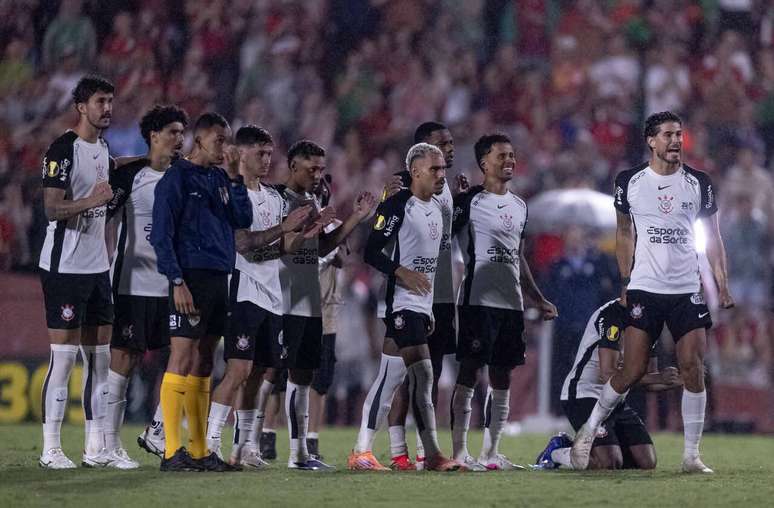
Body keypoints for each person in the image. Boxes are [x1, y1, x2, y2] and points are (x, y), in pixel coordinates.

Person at [570, 111, 735, 473]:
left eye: (679, 134)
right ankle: (589, 429)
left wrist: (722, 285)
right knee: (631, 369)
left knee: (693, 366)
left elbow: (714, 238)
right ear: (651, 140)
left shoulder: (700, 183)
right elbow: (624, 232)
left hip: (686, 288)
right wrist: (626, 281)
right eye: (668, 135)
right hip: (645, 287)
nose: (676, 141)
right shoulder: (629, 181)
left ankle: (691, 455)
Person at [348, 143, 461, 472]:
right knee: (423, 374)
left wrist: (428, 309)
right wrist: (401, 272)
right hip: (401, 303)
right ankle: (434, 455)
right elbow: (370, 251)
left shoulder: (437, 209)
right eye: (434, 169)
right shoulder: (398, 205)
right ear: (415, 172)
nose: (441, 175)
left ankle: (361, 451)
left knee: (389, 378)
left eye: (443, 169)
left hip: (421, 307)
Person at [204, 125, 312, 468]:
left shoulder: (276, 198)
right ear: (241, 154)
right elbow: (243, 244)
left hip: (272, 294)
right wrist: (283, 228)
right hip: (243, 289)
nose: (267, 160)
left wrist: (306, 230)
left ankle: (246, 447)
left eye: (269, 154)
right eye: (259, 154)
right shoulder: (232, 195)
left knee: (260, 373)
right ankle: (209, 443)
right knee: (238, 370)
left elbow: (280, 249)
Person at [150, 112, 253, 472]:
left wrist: (237, 176)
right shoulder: (176, 179)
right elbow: (160, 235)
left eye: (226, 141)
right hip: (189, 278)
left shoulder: (220, 179)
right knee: (182, 356)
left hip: (218, 277)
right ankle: (170, 450)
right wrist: (176, 281)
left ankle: (198, 450)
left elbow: (243, 219)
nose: (224, 148)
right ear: (201, 140)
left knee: (206, 360)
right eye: (219, 141)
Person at [450, 133, 557, 471]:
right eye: (501, 156)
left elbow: (518, 257)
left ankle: (491, 453)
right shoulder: (469, 202)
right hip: (476, 300)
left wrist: (537, 299)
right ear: (484, 163)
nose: (509, 161)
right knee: (469, 371)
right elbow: (440, 236)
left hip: (510, 303)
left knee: (503, 376)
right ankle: (458, 453)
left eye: (512, 156)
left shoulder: (520, 205)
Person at [277, 140, 376, 470]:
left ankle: (299, 453)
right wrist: (310, 230)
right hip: (285, 298)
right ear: (293, 166)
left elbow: (322, 248)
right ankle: (243, 443)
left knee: (304, 377)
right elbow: (280, 247)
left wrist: (355, 219)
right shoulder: (280, 199)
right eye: (312, 169)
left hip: (310, 301)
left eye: (321, 169)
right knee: (268, 375)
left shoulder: (310, 202)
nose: (319, 175)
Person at [38, 75, 120, 469]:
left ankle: (94, 448)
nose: (107, 108)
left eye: (110, 101)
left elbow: (113, 180)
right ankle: (51, 448)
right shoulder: (62, 149)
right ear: (81, 107)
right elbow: (52, 209)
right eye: (100, 101)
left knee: (100, 360)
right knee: (64, 357)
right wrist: (90, 200)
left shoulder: (104, 149)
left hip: (96, 268)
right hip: (64, 266)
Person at [103, 104, 189, 467]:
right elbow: (104, 216)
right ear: (153, 135)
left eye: (183, 133)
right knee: (125, 357)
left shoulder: (186, 175)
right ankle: (106, 444)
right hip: (132, 282)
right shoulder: (130, 175)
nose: (179, 139)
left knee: (187, 354)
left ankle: (157, 430)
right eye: (172, 132)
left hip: (173, 284)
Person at [382, 122, 462, 470]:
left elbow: (443, 236)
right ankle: (399, 448)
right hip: (406, 294)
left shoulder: (442, 189)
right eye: (442, 144)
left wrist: (458, 205)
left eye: (450, 143)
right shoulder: (403, 189)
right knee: (404, 374)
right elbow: (381, 241)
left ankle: (420, 451)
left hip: (439, 294)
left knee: (429, 371)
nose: (450, 148)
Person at [534, 299, 683, 470]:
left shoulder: (651, 322)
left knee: (646, 463)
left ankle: (585, 447)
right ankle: (558, 452)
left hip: (615, 401)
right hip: (584, 394)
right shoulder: (612, 315)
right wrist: (659, 378)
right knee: (608, 463)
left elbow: (647, 381)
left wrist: (680, 380)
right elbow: (607, 375)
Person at [308, 174, 345, 461]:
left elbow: (342, 257)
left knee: (321, 379)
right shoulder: (295, 216)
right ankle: (263, 434)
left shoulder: (335, 224)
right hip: (299, 307)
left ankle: (312, 439)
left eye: (324, 185)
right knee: (278, 376)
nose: (321, 189)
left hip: (329, 312)